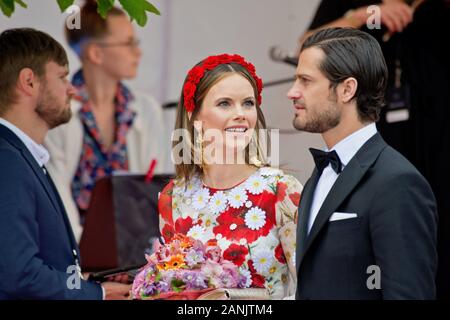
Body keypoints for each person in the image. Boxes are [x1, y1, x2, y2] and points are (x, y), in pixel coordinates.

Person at [299, 0, 450, 298]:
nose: (296, 91)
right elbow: (307, 46)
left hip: (440, 133)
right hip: (381, 133)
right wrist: (365, 15)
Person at [157, 53, 302, 299]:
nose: (241, 114)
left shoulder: (282, 190)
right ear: (194, 115)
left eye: (248, 103)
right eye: (225, 103)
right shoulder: (173, 196)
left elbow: (308, 292)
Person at [0, 28, 130, 299]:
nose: (71, 89)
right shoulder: (7, 159)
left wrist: (89, 281)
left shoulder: (19, 153)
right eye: (62, 77)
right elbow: (19, 274)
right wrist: (96, 294)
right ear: (29, 82)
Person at [45, 0, 172, 242]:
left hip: (137, 251)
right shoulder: (59, 112)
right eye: (128, 43)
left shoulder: (145, 110)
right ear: (95, 53)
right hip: (74, 254)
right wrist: (84, 258)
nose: (138, 51)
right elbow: (56, 196)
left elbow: (156, 191)